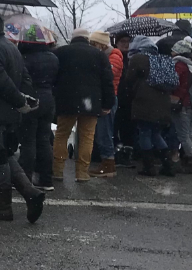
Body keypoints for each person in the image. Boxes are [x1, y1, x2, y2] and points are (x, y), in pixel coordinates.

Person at [0, 11, 46, 222]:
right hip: (7, 113)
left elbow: (2, 83)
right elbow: (24, 78)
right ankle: (31, 194)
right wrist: (24, 101)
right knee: (5, 155)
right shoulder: (10, 47)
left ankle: (3, 205)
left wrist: (20, 102)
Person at [51, 28, 116, 183]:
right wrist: (108, 104)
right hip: (90, 102)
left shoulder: (60, 52)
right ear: (87, 39)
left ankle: (58, 170)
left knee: (61, 135)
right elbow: (107, 81)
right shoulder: (99, 55)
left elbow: (53, 76)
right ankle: (82, 173)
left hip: (65, 100)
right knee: (87, 137)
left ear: (73, 38)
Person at [121, 35, 176, 177]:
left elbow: (129, 80)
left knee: (144, 132)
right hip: (162, 102)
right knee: (156, 134)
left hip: (144, 102)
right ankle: (168, 165)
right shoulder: (161, 58)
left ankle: (149, 167)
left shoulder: (138, 59)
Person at [17, 39, 58, 190]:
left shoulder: (24, 58)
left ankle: (25, 179)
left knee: (28, 141)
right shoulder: (53, 57)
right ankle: (46, 179)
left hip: (31, 98)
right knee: (44, 140)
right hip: (48, 98)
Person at [88, 31, 124, 177]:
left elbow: (107, 75)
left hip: (107, 99)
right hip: (104, 97)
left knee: (104, 132)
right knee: (102, 132)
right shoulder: (108, 56)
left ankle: (108, 164)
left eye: (93, 44)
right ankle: (106, 162)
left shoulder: (114, 57)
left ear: (100, 44)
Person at [170, 37, 192, 174]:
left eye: (173, 49)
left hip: (181, 103)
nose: (171, 51)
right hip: (191, 104)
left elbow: (175, 84)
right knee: (189, 134)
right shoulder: (191, 65)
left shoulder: (179, 65)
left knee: (183, 135)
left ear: (178, 52)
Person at [113, 32, 136, 167]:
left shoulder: (133, 59)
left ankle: (126, 155)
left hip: (129, 99)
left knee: (128, 128)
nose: (126, 44)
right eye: (123, 41)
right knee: (115, 127)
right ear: (117, 42)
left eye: (128, 41)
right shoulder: (116, 58)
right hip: (118, 97)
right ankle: (117, 154)